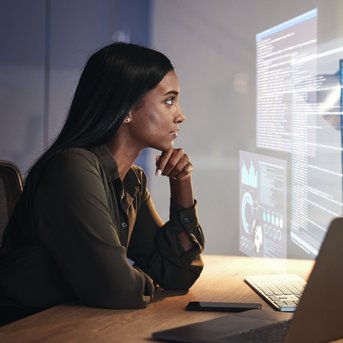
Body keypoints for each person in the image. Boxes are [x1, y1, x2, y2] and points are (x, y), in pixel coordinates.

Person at [0, 42, 204, 324]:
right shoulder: (71, 168)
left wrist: (182, 183)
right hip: (22, 328)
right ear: (127, 109)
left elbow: (176, 273)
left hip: (68, 325)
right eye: (169, 101)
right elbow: (116, 289)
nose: (180, 115)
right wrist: (144, 282)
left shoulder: (132, 181)